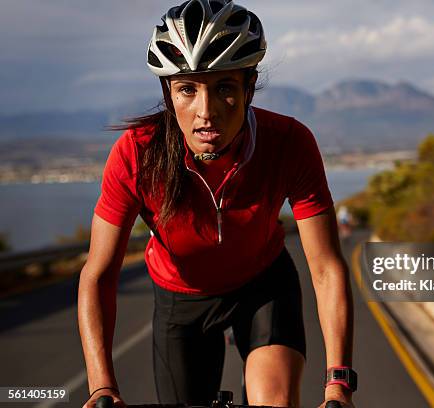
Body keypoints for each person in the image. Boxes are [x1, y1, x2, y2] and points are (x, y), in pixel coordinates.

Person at [77, 1, 356, 408]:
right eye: (187, 89)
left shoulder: (290, 144)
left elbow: (327, 268)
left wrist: (338, 384)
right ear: (168, 94)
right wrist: (102, 388)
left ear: (248, 86)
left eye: (224, 87)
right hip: (179, 297)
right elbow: (98, 274)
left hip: (263, 286)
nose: (205, 112)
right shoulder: (136, 155)